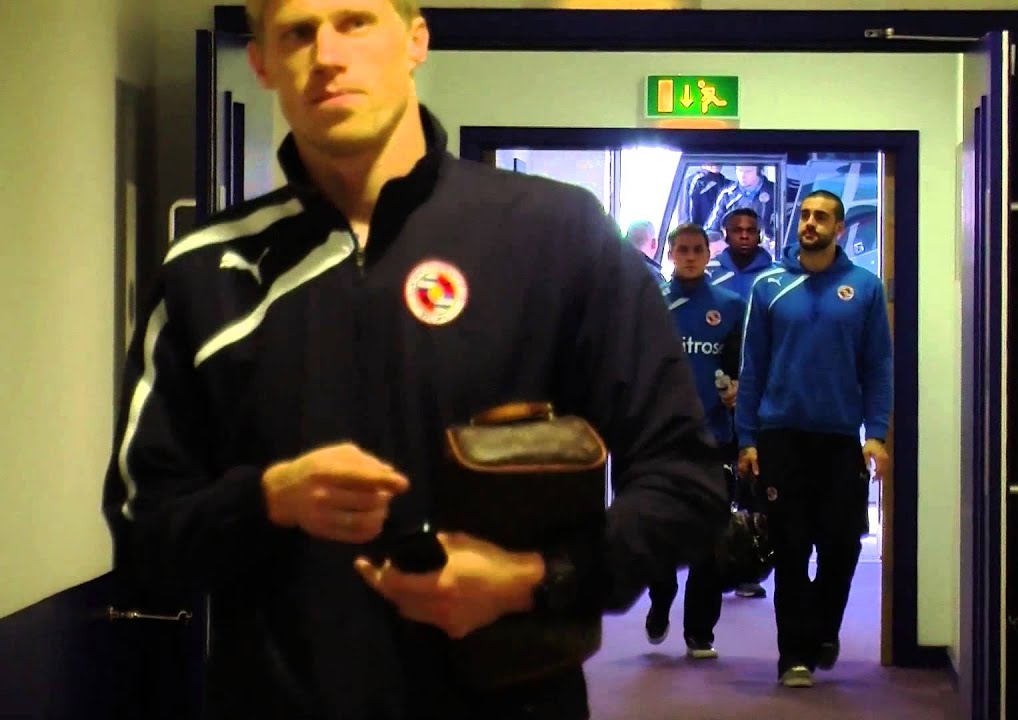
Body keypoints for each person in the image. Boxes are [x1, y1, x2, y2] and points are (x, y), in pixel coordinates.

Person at [100, 1, 725, 718]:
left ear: (416, 38)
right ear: (264, 64)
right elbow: (143, 528)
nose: (327, 54)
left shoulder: (556, 235)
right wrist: (266, 499)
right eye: (298, 32)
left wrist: (532, 578)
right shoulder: (204, 271)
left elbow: (688, 483)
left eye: (355, 21)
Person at [735, 190, 892, 689]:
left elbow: (879, 367)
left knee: (843, 546)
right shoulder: (769, 286)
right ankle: (793, 657)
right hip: (781, 437)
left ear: (839, 229)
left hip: (840, 438)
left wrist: (878, 434)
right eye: (804, 215)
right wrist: (747, 439)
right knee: (791, 548)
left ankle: (824, 628)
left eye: (821, 217)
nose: (809, 222)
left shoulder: (864, 288)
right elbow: (751, 367)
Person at [643, 223, 745, 661]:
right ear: (669, 254)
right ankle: (661, 595)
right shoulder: (648, 306)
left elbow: (744, 368)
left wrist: (737, 390)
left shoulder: (731, 306)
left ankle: (699, 631)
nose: (688, 256)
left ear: (708, 254)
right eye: (681, 249)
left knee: (710, 540)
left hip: (714, 439)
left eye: (696, 250)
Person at [704, 206, 775, 600]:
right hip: (721, 391)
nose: (745, 235)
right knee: (720, 483)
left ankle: (752, 567)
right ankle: (717, 561)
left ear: (760, 234)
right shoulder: (713, 275)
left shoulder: (777, 275)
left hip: (764, 390)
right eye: (738, 229)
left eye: (751, 229)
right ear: (726, 234)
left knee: (756, 483)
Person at [705, 165, 777, 247]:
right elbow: (712, 229)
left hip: (766, 251)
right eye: (739, 170)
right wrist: (719, 243)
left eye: (748, 171)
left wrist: (776, 242)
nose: (742, 175)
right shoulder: (727, 194)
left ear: (759, 170)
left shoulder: (775, 192)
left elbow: (787, 227)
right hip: (734, 251)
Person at [682, 164, 733, 229]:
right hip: (698, 234)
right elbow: (686, 215)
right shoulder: (695, 182)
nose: (716, 163)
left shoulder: (729, 184)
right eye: (712, 158)